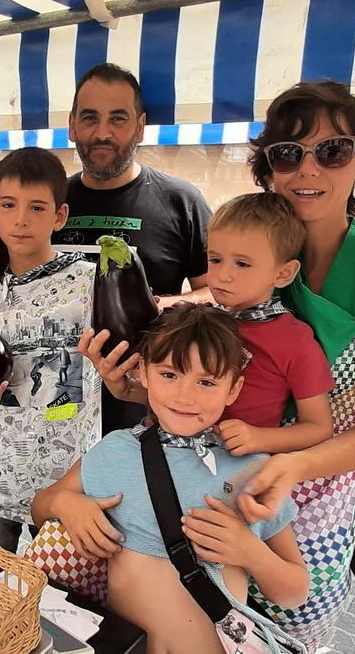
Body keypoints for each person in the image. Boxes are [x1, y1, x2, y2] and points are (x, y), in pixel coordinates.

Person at [88, 82, 355, 649]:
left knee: (281, 638)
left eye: (333, 150)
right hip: (213, 495)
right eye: (287, 152)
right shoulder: (243, 278)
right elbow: (209, 387)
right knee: (201, 630)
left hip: (313, 507)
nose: (307, 167)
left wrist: (293, 466)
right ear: (267, 168)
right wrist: (133, 389)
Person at [34, 305, 307, 654]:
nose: (185, 396)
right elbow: (40, 507)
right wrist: (65, 503)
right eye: (169, 375)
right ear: (143, 372)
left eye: (206, 381)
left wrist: (250, 552)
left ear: (233, 389)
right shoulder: (115, 451)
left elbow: (295, 592)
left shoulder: (253, 471)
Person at [86, 192, 335, 456]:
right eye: (215, 259)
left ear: (283, 273)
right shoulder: (192, 323)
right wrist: (127, 390)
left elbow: (318, 427)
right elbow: (180, 397)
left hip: (235, 474)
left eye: (242, 263)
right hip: (164, 458)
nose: (223, 275)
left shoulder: (293, 340)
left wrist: (261, 438)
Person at [0, 147, 100, 552]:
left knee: (68, 608)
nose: (21, 219)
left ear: (59, 216)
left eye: (37, 208)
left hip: (68, 487)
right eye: (9, 205)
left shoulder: (93, 284)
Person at [56, 62, 214, 434]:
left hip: (143, 411)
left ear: (140, 127)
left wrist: (168, 304)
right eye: (90, 118)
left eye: (118, 119)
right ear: (72, 124)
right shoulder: (48, 204)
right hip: (52, 414)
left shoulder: (182, 202)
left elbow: (222, 291)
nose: (102, 133)